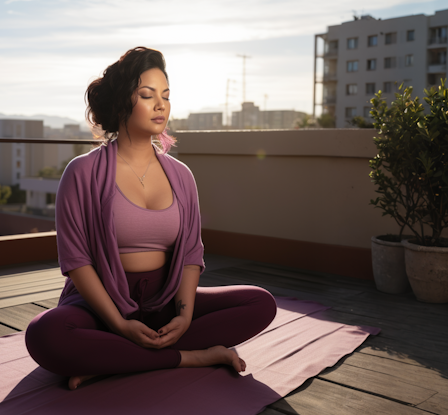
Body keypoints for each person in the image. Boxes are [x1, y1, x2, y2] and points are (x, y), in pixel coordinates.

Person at [25, 47, 276, 390]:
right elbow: (77, 261)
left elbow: (190, 256)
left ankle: (114, 361)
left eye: (166, 96)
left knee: (260, 303)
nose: (161, 105)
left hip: (166, 301)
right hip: (100, 305)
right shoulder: (81, 172)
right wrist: (119, 324)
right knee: (45, 334)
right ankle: (194, 357)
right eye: (147, 95)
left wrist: (185, 317)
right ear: (121, 102)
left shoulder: (182, 175)